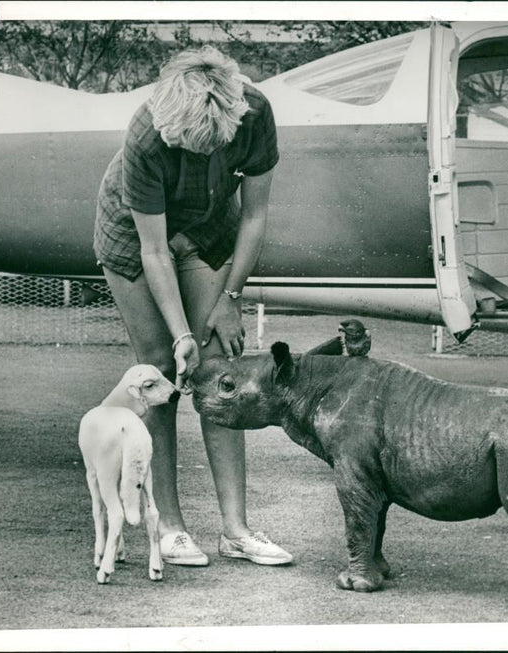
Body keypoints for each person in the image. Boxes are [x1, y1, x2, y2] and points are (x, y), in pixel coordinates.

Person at [93, 46, 292, 567]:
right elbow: (155, 250)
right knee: (160, 365)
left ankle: (236, 530)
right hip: (136, 237)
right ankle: (171, 528)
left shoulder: (255, 111)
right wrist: (182, 335)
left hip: (208, 231)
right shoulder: (145, 132)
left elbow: (254, 216)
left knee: (218, 367)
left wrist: (230, 298)